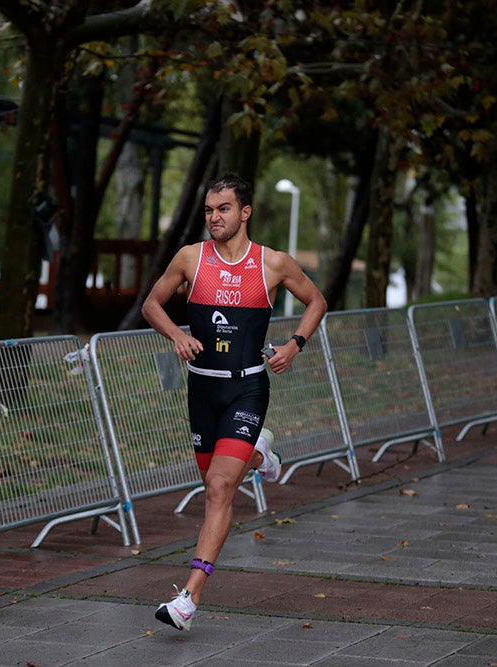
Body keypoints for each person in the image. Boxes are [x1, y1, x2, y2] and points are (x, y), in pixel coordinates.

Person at [141, 172, 327, 631]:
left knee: (221, 489)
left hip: (247, 386)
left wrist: (294, 344)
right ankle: (261, 454)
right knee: (213, 484)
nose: (214, 217)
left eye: (223, 209)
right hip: (202, 389)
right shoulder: (190, 258)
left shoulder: (273, 263)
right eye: (208, 210)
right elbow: (151, 304)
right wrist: (176, 335)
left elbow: (317, 301)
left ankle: (188, 598)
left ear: (244, 212)